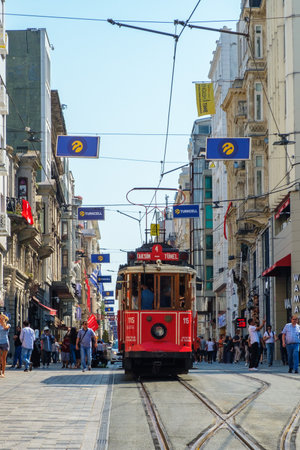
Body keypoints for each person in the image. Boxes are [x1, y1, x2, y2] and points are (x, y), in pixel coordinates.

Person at [0, 313, 10, 377]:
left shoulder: (8, 325)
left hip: (5, 343)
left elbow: (5, 327)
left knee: (3, 358)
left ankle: (3, 372)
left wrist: (3, 322)